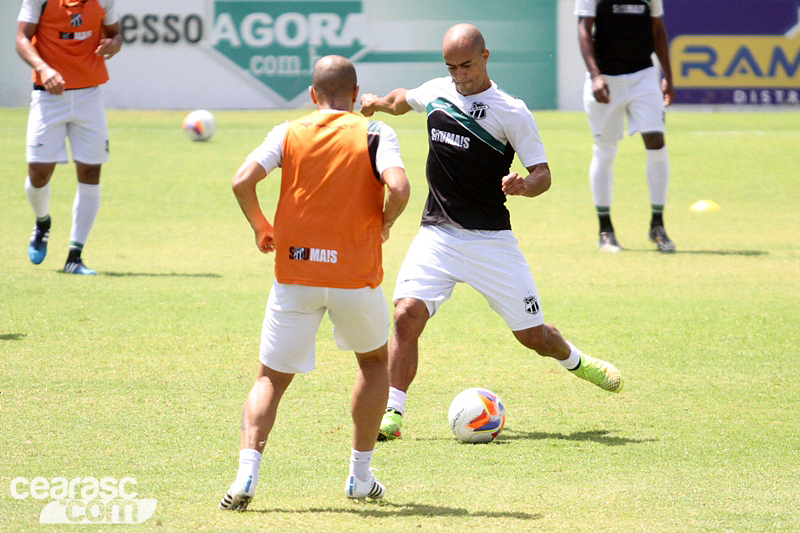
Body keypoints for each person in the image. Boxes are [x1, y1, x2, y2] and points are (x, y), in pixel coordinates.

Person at [360, 23, 623, 442]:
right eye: (451, 67)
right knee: (406, 315)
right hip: (437, 235)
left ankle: (576, 360)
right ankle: (393, 413)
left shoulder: (511, 111)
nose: (459, 75)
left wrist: (524, 185)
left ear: (485, 57)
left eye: (466, 65)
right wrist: (376, 102)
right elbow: (400, 100)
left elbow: (543, 174)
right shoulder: (437, 90)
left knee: (533, 336)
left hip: (491, 241)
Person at [219, 55, 410, 510]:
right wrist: (384, 222)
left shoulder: (287, 132)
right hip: (356, 278)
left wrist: (261, 226)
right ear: (355, 91)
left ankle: (246, 475)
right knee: (372, 364)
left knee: (270, 378)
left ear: (312, 94)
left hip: (297, 273)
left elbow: (242, 180)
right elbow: (399, 187)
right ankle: (360, 477)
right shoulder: (375, 132)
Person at [16, 0, 122, 274]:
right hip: (49, 97)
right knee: (38, 173)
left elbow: (115, 33)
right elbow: (21, 40)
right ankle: (42, 222)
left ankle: (75, 256)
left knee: (90, 173)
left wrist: (114, 44)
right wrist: (43, 68)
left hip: (90, 96)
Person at [576, 0, 676, 253]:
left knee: (656, 141)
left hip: (642, 75)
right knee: (605, 150)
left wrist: (668, 76)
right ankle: (605, 230)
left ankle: (657, 225)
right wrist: (595, 75)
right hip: (605, 77)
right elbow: (584, 30)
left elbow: (657, 28)